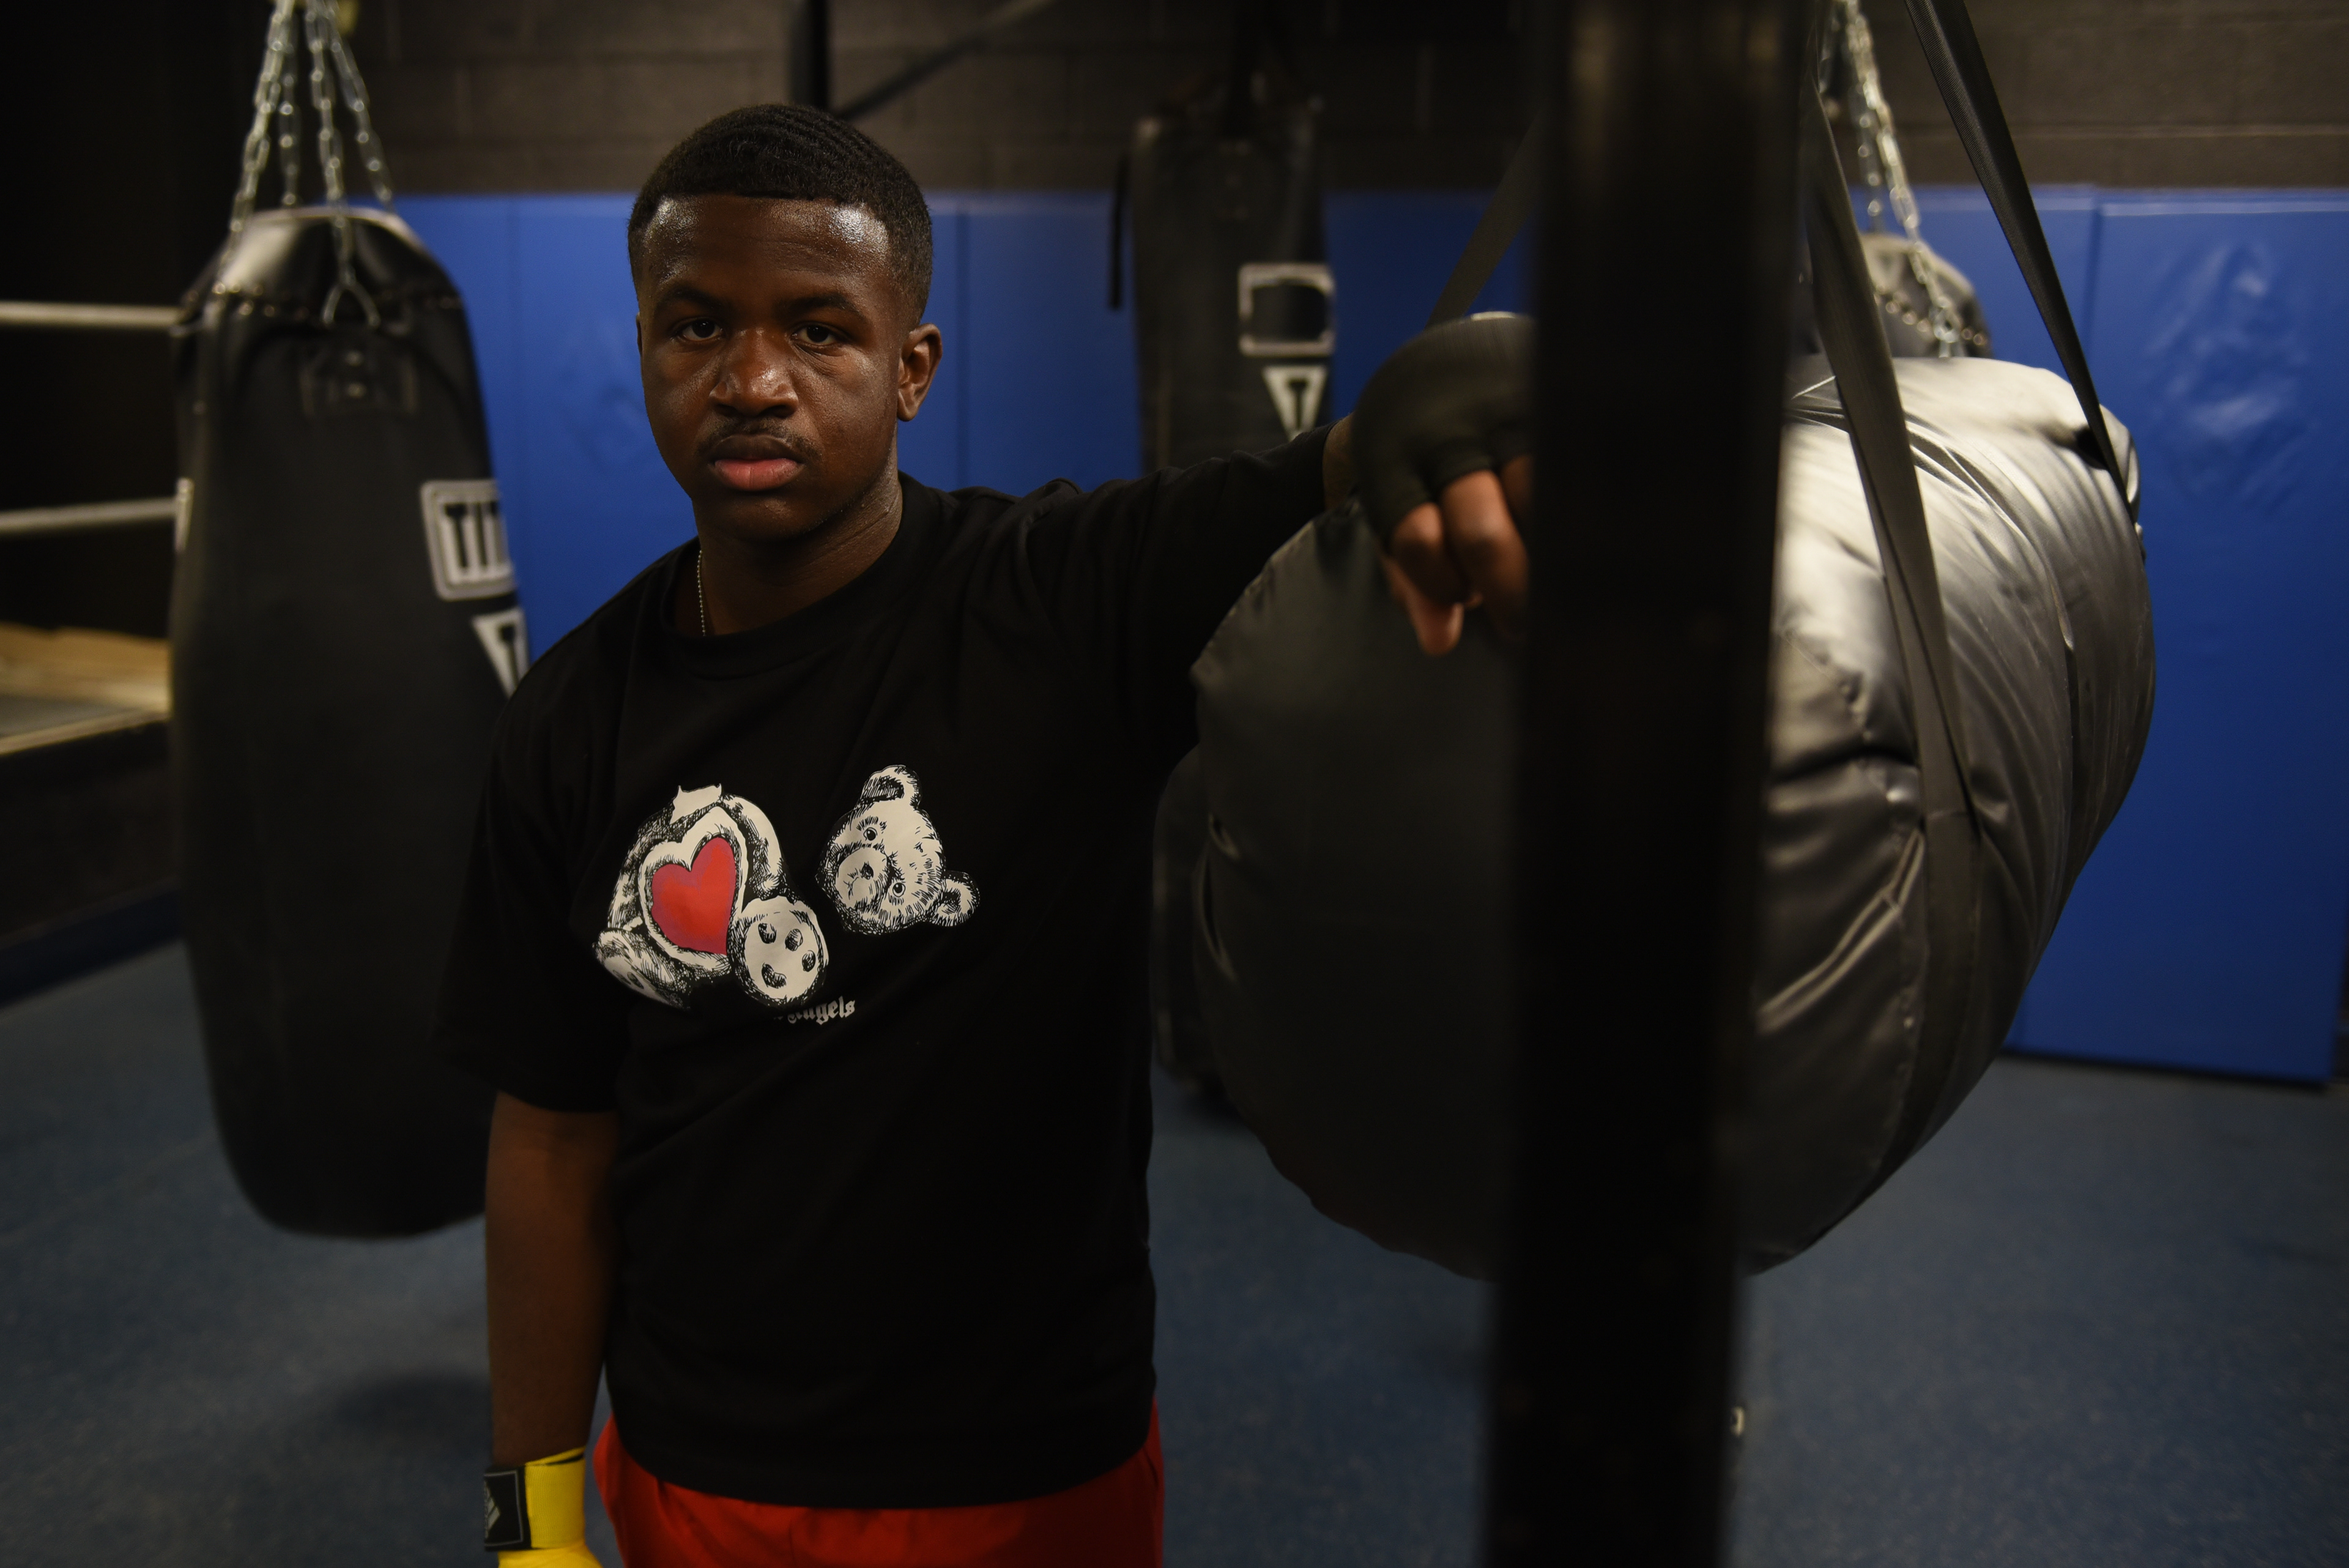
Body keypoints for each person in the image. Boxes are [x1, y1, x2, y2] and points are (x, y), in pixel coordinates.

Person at [432, 103, 1526, 1568]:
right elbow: (554, 1141)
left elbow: (1335, 467)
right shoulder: (572, 718)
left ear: (912, 369)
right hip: (698, 1473)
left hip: (1027, 1480)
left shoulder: (1065, 602)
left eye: (819, 330)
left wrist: (1462, 394)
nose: (751, 380)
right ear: (644, 346)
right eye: (697, 327)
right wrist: (530, 1517)